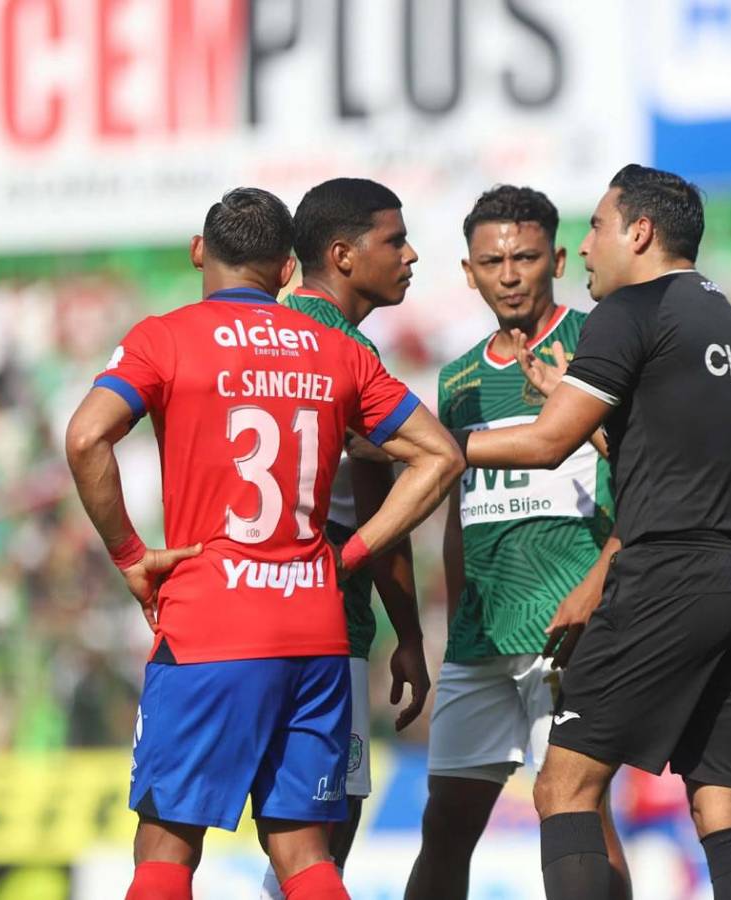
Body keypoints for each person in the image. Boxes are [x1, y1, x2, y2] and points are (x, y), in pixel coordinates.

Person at [64, 187, 463, 900]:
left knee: (164, 848)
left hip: (211, 623)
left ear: (198, 251)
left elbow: (86, 435)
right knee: (306, 856)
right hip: (315, 627)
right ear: (287, 270)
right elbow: (439, 455)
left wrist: (130, 556)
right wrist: (352, 552)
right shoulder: (336, 350)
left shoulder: (166, 336)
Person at [449, 165, 731, 900]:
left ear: (639, 232)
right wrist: (581, 414)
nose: (588, 246)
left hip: (671, 575)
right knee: (720, 801)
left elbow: (542, 445)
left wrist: (433, 447)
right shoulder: (726, 321)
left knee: (563, 789)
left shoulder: (630, 312)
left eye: (597, 227)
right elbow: (662, 460)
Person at [404, 185, 630, 900]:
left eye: (526, 256)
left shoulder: (600, 344)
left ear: (557, 259)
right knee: (445, 825)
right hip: (479, 639)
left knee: (579, 813)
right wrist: (444, 627)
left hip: (570, 630)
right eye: (492, 260)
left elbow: (646, 481)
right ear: (468, 272)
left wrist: (600, 588)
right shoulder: (459, 377)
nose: (509, 273)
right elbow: (456, 512)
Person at [257, 177, 430, 898]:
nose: (411, 254)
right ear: (343, 255)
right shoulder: (346, 358)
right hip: (323, 616)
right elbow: (397, 491)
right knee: (324, 838)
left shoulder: (256, 331)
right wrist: (408, 635)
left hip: (227, 613)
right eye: (394, 240)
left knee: (186, 836)